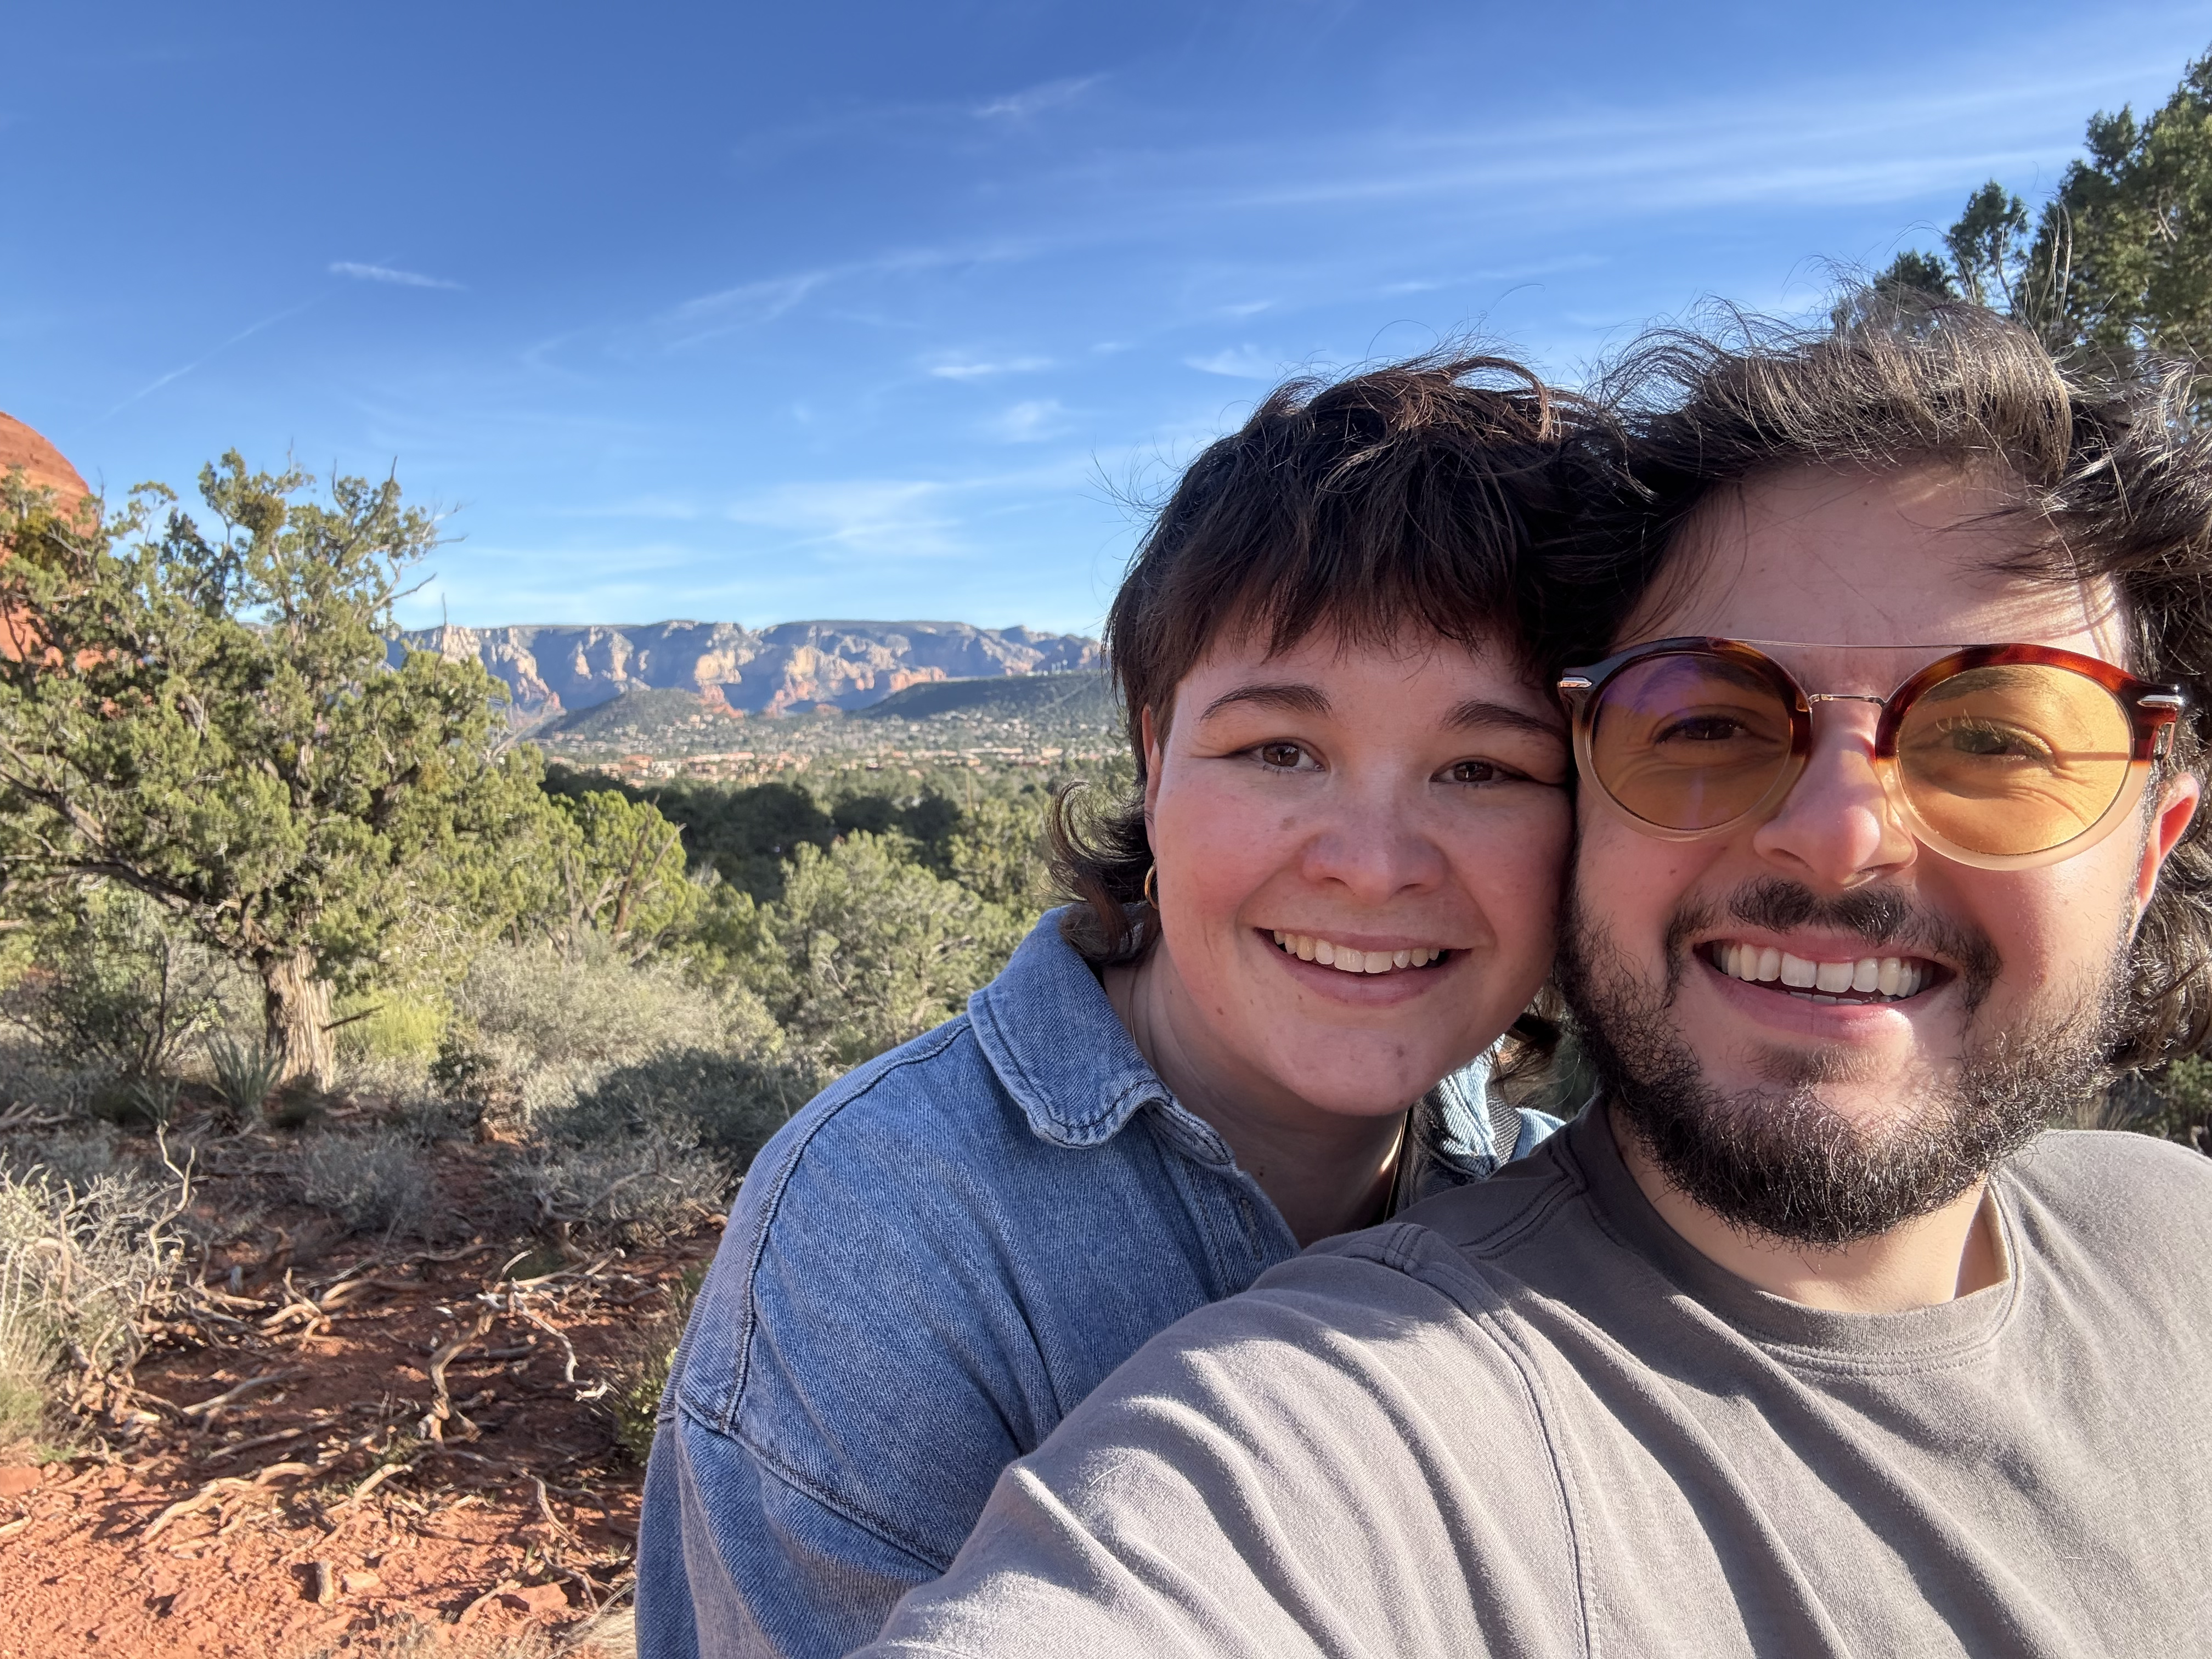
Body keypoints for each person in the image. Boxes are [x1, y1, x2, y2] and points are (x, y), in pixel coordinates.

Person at [855, 301, 2212, 1658]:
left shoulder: (2175, 1230)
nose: (1839, 833)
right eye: (1709, 721)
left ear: (2154, 843)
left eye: (1999, 739)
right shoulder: (1302, 1427)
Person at [636, 354, 1628, 1657]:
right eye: (1281, 750)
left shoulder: (1552, 1196)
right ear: (1155, 760)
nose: (1374, 860)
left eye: (1485, 766)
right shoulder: (883, 1236)